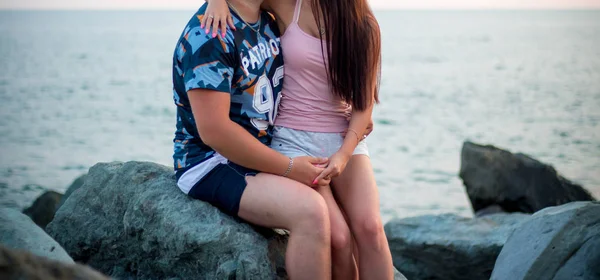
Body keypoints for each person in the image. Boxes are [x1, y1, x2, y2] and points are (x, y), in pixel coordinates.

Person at [202, 0, 394, 279]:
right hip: (293, 140)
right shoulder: (288, 5)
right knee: (339, 237)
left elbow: (363, 105)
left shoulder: (364, 25)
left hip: (344, 139)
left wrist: (343, 153)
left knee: (371, 228)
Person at [171, 0, 343, 279]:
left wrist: (356, 110)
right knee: (310, 212)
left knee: (344, 222)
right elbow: (214, 132)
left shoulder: (267, 18)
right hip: (210, 162)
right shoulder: (211, 33)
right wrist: (289, 167)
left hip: (263, 150)